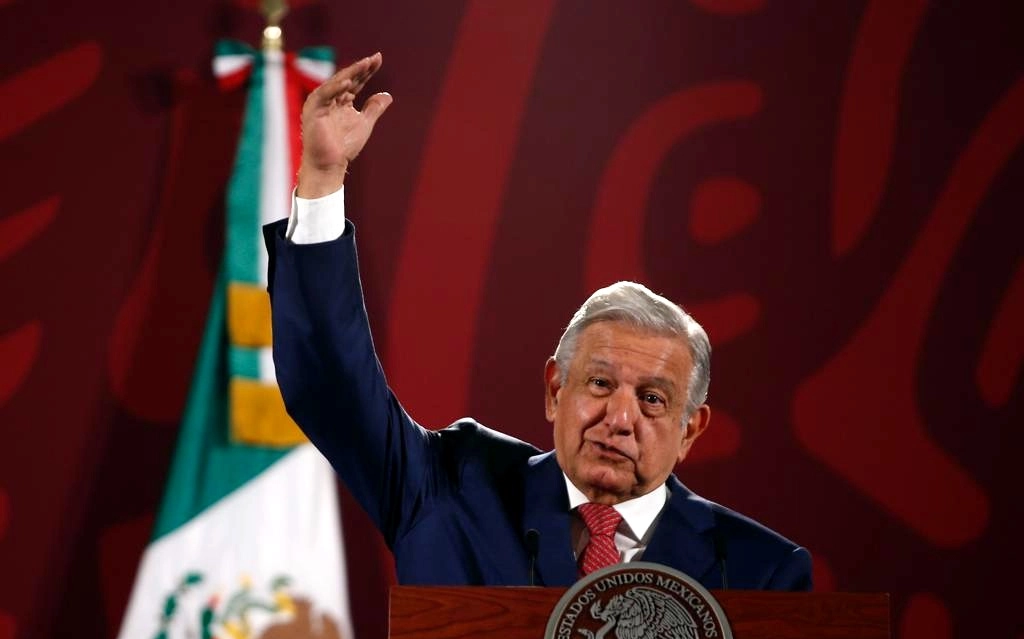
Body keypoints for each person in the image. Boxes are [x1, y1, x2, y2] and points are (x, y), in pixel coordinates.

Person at [266, 51, 812, 590]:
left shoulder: (757, 572)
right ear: (555, 389)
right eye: (599, 383)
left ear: (691, 428)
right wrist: (322, 176)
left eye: (652, 398)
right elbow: (332, 386)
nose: (619, 419)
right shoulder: (451, 490)